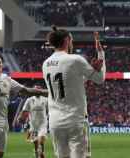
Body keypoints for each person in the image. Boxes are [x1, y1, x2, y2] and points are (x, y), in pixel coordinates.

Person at [42, 26, 106, 158]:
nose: (72, 43)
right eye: (71, 40)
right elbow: (100, 79)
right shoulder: (75, 59)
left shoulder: (46, 63)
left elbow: (70, 82)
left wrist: (89, 73)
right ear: (66, 40)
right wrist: (101, 54)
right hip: (75, 121)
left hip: (55, 122)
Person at [17, 85, 48, 158]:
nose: (37, 91)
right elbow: (25, 110)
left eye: (38, 89)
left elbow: (50, 109)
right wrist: (20, 117)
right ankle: (38, 153)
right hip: (33, 125)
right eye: (35, 90)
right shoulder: (29, 100)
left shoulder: (45, 99)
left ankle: (41, 151)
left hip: (43, 123)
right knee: (36, 143)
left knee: (41, 139)